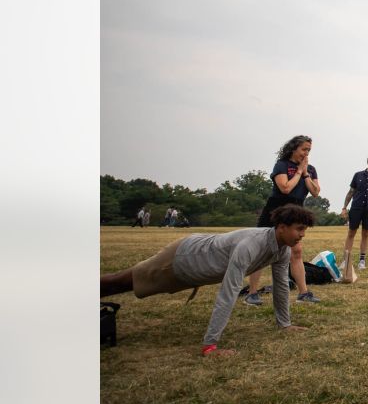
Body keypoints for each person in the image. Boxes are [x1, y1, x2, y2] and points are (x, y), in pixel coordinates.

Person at [100, 204, 314, 356]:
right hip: (183, 258)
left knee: (126, 283)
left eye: (304, 229)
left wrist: (285, 324)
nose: (302, 234)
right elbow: (228, 292)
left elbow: (281, 287)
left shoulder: (282, 250)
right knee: (121, 281)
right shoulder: (250, 245)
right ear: (282, 227)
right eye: (299, 228)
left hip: (196, 270)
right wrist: (210, 345)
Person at [246, 135, 321, 306]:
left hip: (296, 212)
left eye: (309, 150)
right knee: (261, 251)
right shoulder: (282, 165)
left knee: (296, 251)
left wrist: (306, 173)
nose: (306, 153)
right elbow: (285, 188)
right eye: (304, 149)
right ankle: (252, 293)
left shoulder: (311, 169)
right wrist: (299, 172)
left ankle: (303, 293)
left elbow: (316, 192)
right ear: (294, 148)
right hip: (275, 210)